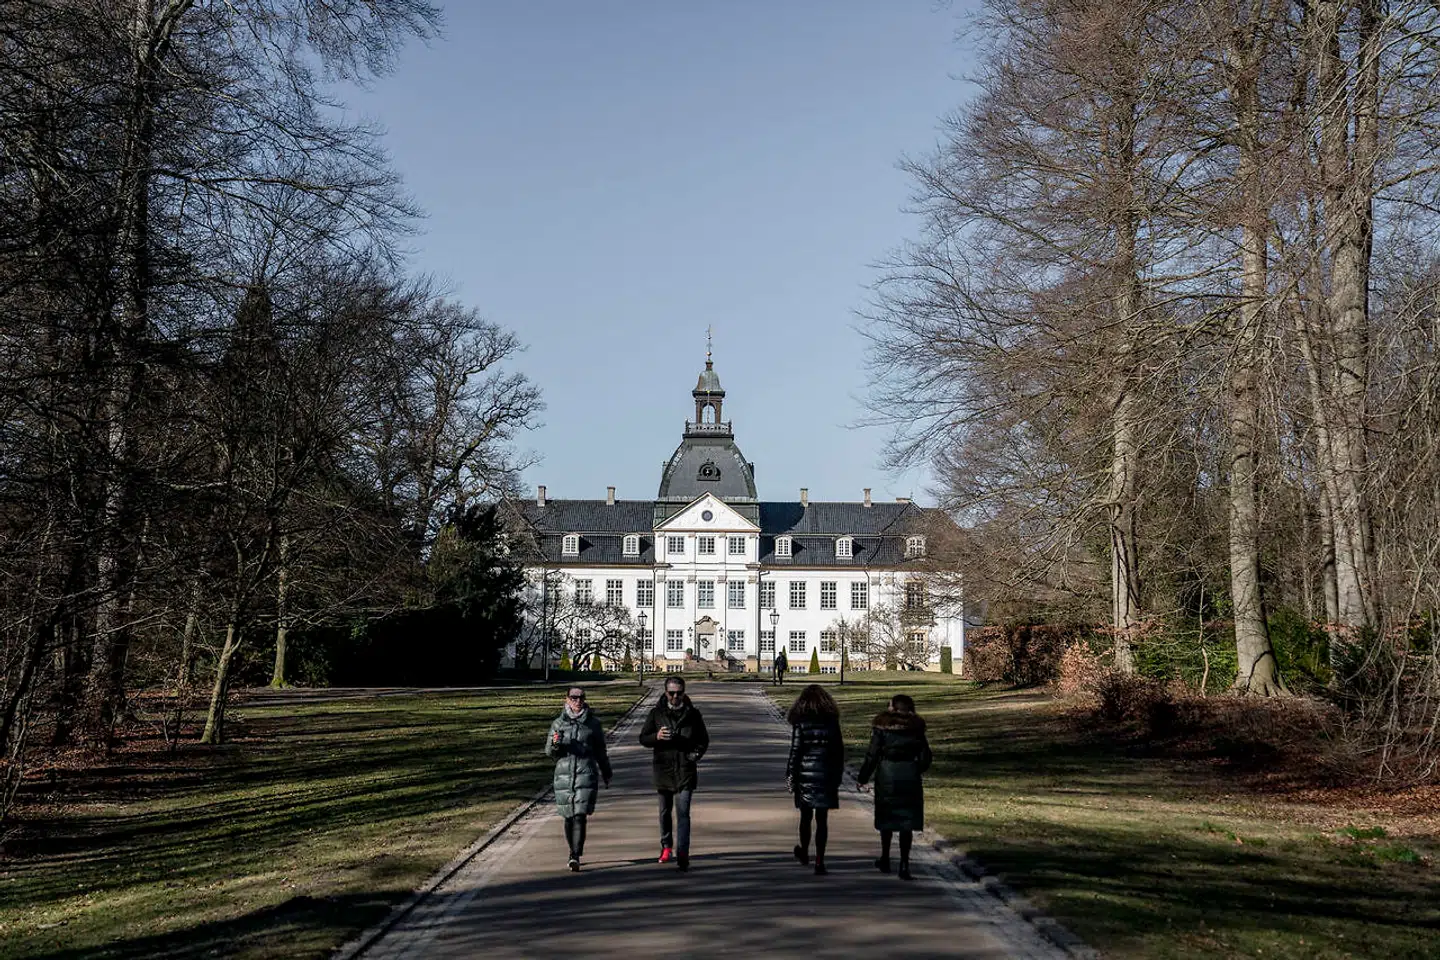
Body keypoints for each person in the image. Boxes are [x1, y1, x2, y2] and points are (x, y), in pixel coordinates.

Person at [856, 693, 932, 881]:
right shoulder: (916, 728)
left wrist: (863, 777)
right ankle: (904, 864)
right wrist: (915, 769)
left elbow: (872, 755)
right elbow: (926, 756)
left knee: (887, 817)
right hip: (909, 775)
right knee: (907, 821)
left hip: (887, 773)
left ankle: (885, 857)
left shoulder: (882, 728)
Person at [638, 676, 710, 871]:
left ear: (684, 693)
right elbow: (643, 738)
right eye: (672, 693)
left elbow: (703, 740)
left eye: (679, 693)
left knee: (683, 812)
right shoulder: (656, 713)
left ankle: (683, 852)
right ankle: (666, 846)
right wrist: (657, 736)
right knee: (664, 812)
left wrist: (695, 754)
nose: (675, 697)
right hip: (663, 769)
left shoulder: (693, 714)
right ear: (665, 693)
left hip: (685, 769)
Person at [545, 686, 612, 872]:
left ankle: (575, 854)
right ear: (566, 699)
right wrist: (555, 744)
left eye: (581, 697)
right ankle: (572, 850)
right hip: (564, 775)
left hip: (586, 773)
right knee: (568, 816)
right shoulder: (558, 724)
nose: (578, 701)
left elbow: (601, 751)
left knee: (580, 815)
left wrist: (606, 772)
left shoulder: (593, 724)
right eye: (574, 698)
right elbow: (549, 752)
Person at [785, 683, 844, 875]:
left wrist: (790, 774)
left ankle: (804, 851)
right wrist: (837, 775)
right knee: (822, 820)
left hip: (805, 773)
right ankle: (820, 860)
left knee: (805, 817)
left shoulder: (800, 722)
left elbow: (795, 751)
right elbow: (838, 751)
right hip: (826, 772)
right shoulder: (832, 722)